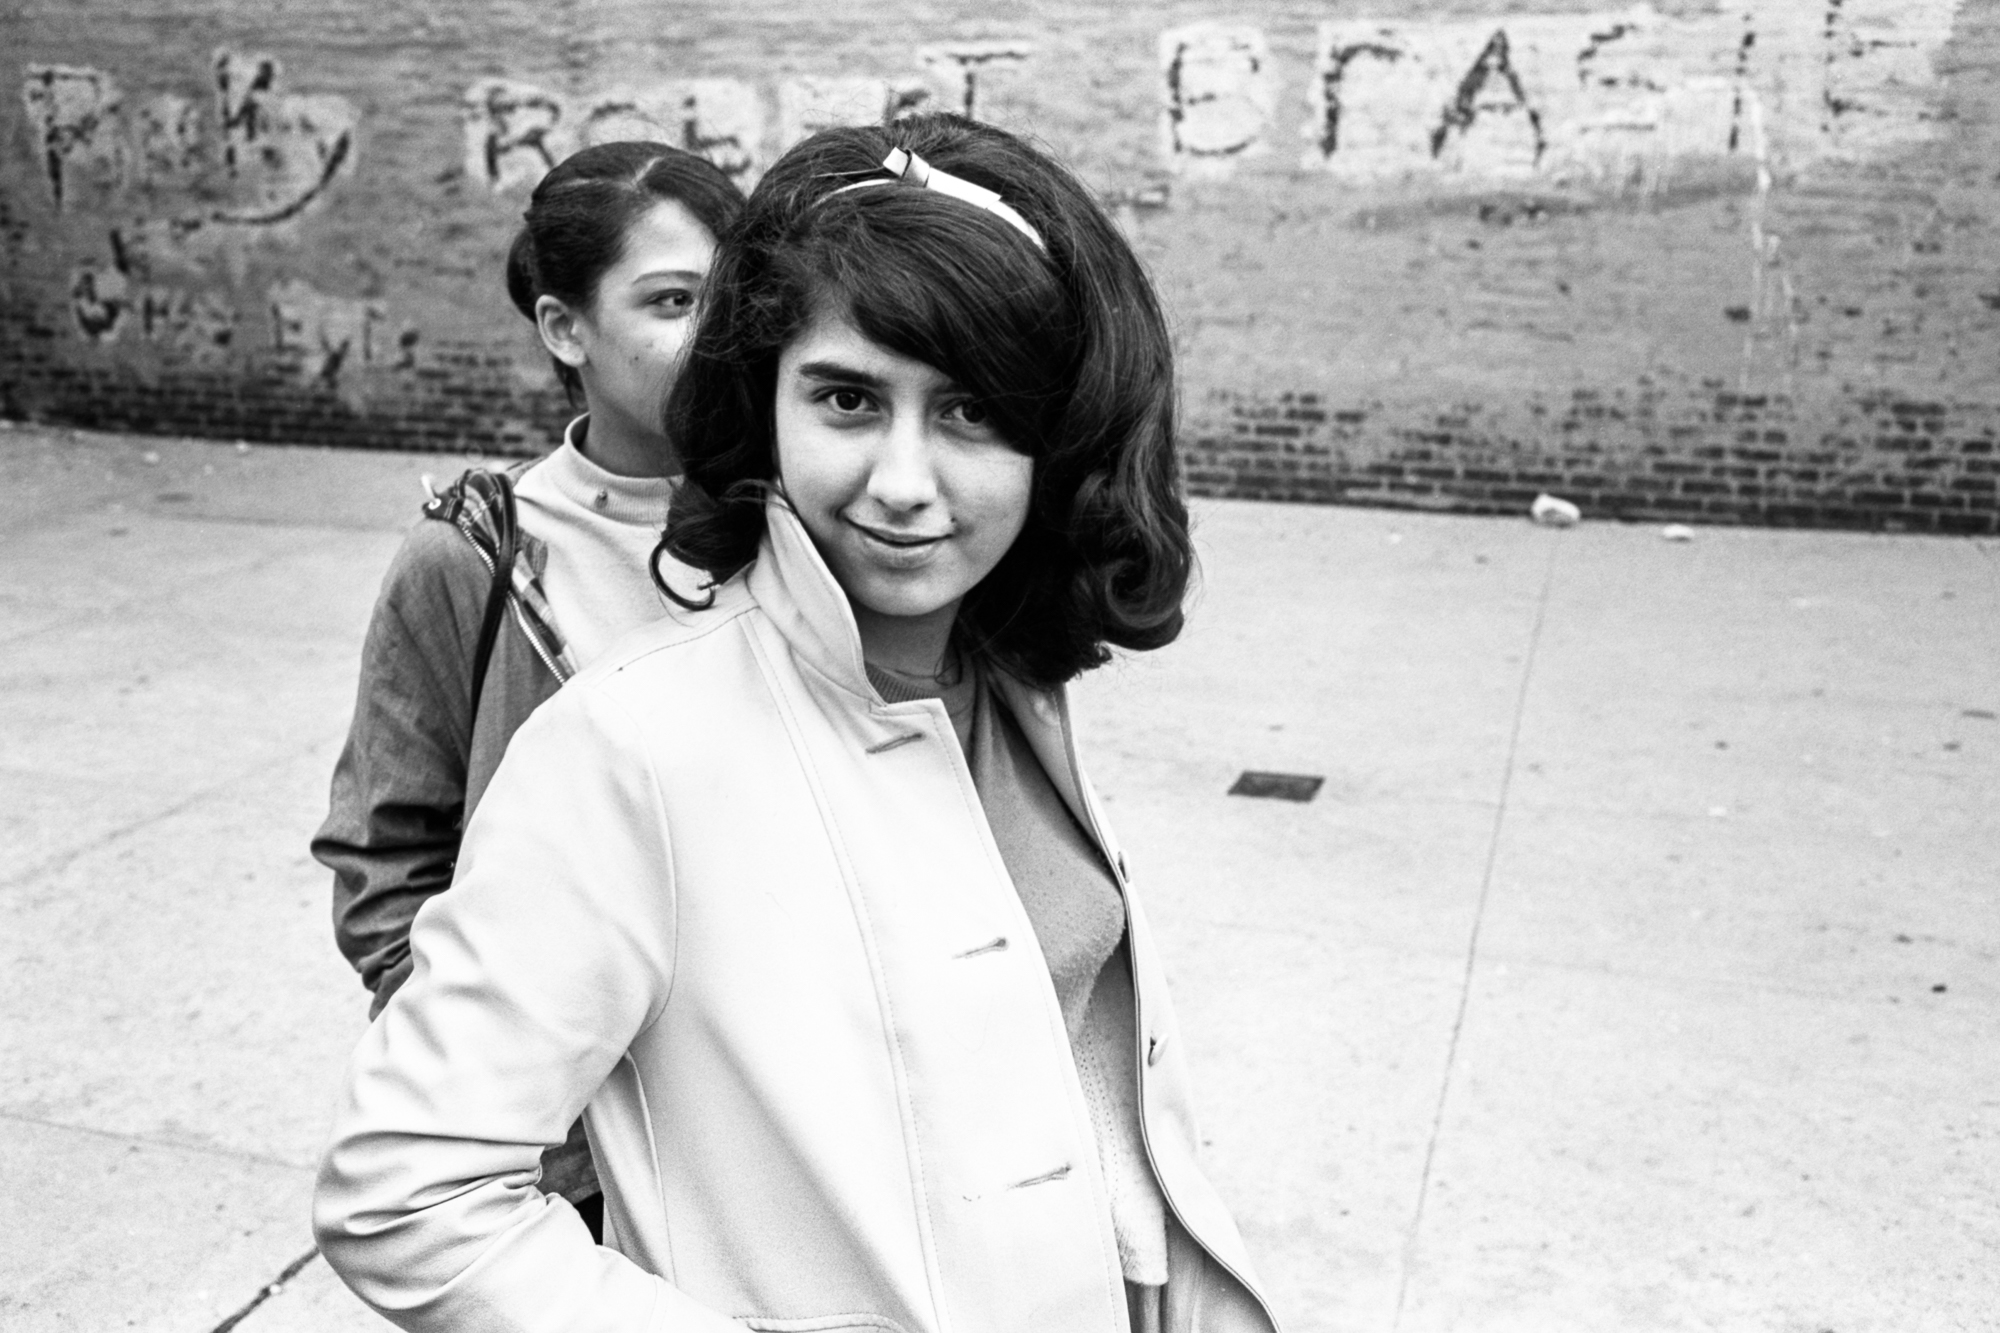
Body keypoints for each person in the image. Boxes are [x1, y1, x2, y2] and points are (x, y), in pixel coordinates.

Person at [314, 114, 1279, 1333]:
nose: (904, 481)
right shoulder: (632, 746)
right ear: (763, 399)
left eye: (973, 410)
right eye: (846, 398)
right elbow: (404, 1193)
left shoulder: (1016, 683)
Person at [308, 141, 744, 1231]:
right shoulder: (475, 559)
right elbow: (387, 856)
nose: (720, 335)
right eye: (673, 300)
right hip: (582, 1152)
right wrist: (505, 1076)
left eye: (735, 298)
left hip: (773, 1119)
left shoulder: (805, 526)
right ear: (564, 329)